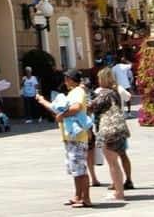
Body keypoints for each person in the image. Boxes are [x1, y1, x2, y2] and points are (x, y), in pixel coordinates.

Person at [46, 68, 95, 208]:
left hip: (77, 137)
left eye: (66, 78)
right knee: (75, 169)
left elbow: (77, 107)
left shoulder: (78, 92)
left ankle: (86, 199)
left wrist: (62, 116)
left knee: (80, 169)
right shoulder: (74, 92)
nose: (65, 81)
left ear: (71, 79)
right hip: (71, 136)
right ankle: (77, 196)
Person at [92, 66, 132, 202]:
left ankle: (119, 193)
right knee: (116, 161)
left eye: (98, 78)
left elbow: (92, 107)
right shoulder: (115, 92)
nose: (97, 80)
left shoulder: (105, 94)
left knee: (113, 163)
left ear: (103, 79)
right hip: (120, 129)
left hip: (109, 130)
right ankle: (118, 190)